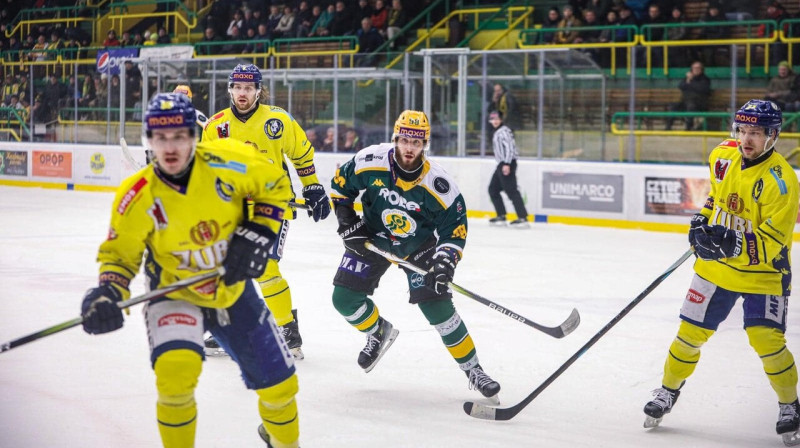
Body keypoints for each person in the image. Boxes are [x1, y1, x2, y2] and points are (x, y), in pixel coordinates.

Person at [79, 93, 300, 448]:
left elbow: (274, 185)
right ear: (148, 139)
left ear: (194, 136)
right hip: (173, 295)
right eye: (161, 138)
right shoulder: (136, 196)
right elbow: (120, 258)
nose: (170, 147)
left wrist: (257, 233)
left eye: (179, 136)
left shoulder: (231, 161)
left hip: (232, 291)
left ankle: (285, 443)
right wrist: (107, 292)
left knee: (281, 385)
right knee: (175, 377)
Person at [643, 100, 800, 447]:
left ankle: (789, 404)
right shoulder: (723, 155)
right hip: (715, 270)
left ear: (773, 136)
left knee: (767, 341)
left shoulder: (782, 182)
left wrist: (731, 243)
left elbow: (773, 242)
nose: (747, 139)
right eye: (742, 130)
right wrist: (701, 220)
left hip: (764, 274)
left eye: (756, 133)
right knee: (689, 334)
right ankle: (668, 390)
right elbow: (717, 198)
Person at [328, 110, 502, 401]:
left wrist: (445, 262)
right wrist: (347, 222)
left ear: (425, 145)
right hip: (373, 238)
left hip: (419, 248)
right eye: (405, 139)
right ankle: (377, 331)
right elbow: (340, 187)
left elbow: (455, 230)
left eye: (417, 142)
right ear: (395, 138)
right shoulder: (370, 161)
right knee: (343, 299)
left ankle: (474, 370)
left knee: (438, 310)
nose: (410, 147)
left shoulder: (439, 186)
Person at [202, 64, 331, 360]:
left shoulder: (277, 120)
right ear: (230, 89)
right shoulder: (215, 126)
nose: (243, 93)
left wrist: (312, 186)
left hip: (273, 206)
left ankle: (288, 330)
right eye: (238, 87)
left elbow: (301, 153)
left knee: (264, 267)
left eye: (249, 88)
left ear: (259, 90)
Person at [487, 110, 529, 228]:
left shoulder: (504, 131)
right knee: (493, 189)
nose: (494, 121)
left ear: (501, 119)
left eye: (497, 119)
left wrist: (507, 164)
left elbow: (510, 148)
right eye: (492, 119)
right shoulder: (498, 132)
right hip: (501, 164)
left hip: (507, 163)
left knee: (511, 190)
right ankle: (501, 215)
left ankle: (522, 218)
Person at [665, 61, 711, 131]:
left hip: (700, 103)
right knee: (673, 106)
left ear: (701, 69)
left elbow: (701, 89)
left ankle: (688, 128)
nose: (696, 70)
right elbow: (681, 86)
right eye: (694, 68)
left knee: (691, 106)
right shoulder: (688, 78)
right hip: (685, 102)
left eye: (698, 68)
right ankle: (668, 127)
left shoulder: (705, 79)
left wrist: (690, 83)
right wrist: (688, 79)